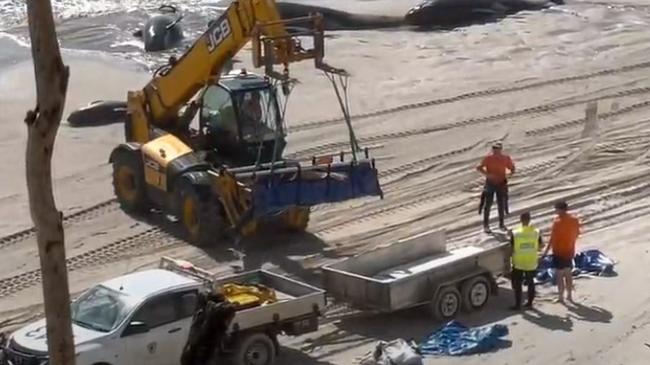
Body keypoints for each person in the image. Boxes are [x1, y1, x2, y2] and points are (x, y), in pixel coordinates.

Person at [542, 200, 581, 303]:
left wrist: (545, 252)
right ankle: (569, 296)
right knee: (568, 273)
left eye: (556, 209)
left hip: (559, 252)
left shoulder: (557, 222)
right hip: (570, 251)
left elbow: (552, 239)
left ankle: (561, 297)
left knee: (559, 275)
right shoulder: (574, 220)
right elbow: (577, 234)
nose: (555, 211)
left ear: (560, 209)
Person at [476, 142, 515, 233]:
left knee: (501, 204)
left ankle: (501, 224)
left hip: (500, 183)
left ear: (500, 149)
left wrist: (509, 175)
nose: (496, 150)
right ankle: (486, 225)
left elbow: (512, 169)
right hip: (491, 183)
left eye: (497, 148)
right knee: (488, 204)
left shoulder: (505, 158)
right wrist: (487, 175)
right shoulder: (489, 158)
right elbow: (479, 168)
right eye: (494, 148)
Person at [509, 211, 543, 310]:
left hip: (519, 262)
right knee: (530, 282)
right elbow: (541, 246)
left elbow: (511, 249)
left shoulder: (515, 233)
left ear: (520, 220)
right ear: (529, 219)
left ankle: (517, 304)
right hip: (531, 261)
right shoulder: (536, 232)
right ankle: (529, 303)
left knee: (517, 283)